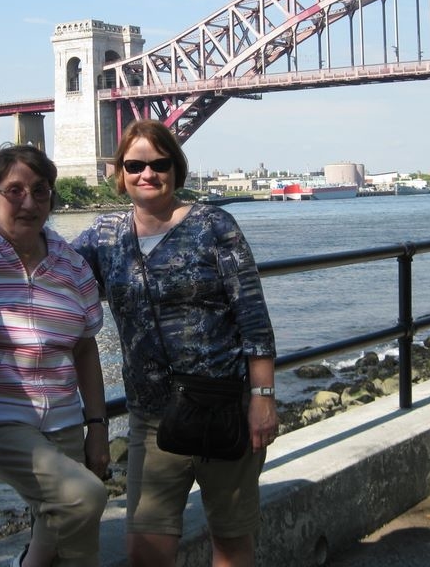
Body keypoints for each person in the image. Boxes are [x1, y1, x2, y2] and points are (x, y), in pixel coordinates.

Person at [71, 119, 278, 567]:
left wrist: (262, 397)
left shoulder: (213, 224)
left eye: (159, 163)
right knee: (145, 548)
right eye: (135, 165)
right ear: (121, 173)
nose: (148, 174)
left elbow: (253, 317)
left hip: (224, 406)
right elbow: (52, 273)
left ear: (175, 169)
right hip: (152, 417)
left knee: (230, 540)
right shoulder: (104, 236)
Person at [0, 145, 110, 567]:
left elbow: (85, 349)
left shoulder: (73, 266)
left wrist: (98, 427)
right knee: (84, 497)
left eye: (40, 191)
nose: (29, 202)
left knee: (67, 534)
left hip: (66, 418)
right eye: (13, 191)